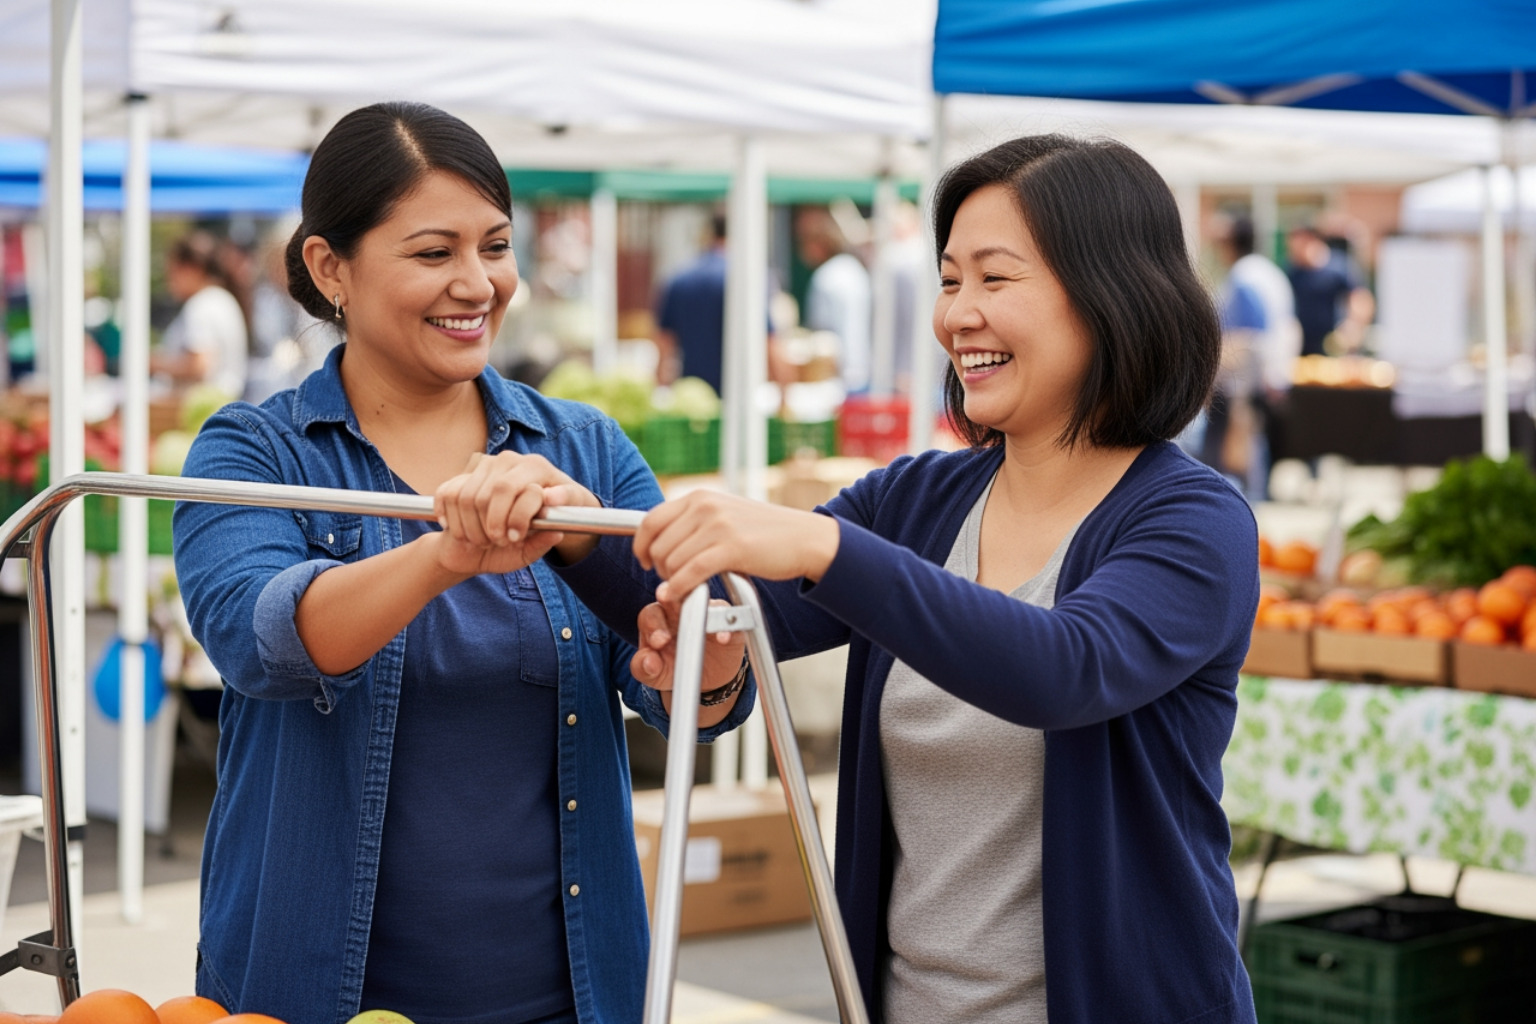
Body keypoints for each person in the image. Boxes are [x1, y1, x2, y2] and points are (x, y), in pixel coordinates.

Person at [547, 135, 1260, 1023]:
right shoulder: (921, 499)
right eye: (951, 279)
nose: (959, 313)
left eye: (995, 280)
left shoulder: (1192, 520)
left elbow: (1063, 670)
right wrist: (565, 525)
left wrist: (821, 547)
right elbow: (726, 609)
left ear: (1111, 295)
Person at [172, 101, 753, 1024]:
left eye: (496, 246)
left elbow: (679, 683)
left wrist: (711, 665)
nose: (477, 284)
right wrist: (447, 555)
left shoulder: (582, 447)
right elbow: (264, 642)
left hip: (573, 995)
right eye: (434, 253)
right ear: (332, 269)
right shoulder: (253, 451)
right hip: (313, 994)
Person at [152, 230, 249, 399]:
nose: (169, 280)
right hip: (222, 405)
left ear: (191, 269)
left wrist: (154, 364)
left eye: (173, 271)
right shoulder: (221, 299)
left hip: (204, 410)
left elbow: (199, 366)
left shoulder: (201, 305)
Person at [796, 206, 873, 394]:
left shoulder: (825, 278)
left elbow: (822, 337)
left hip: (838, 380)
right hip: (864, 371)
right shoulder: (855, 269)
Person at [1285, 224, 1373, 357]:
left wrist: (1353, 325)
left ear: (1311, 240)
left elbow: (1359, 297)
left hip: (1333, 345)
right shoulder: (1294, 273)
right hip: (1303, 347)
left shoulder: (1338, 266)